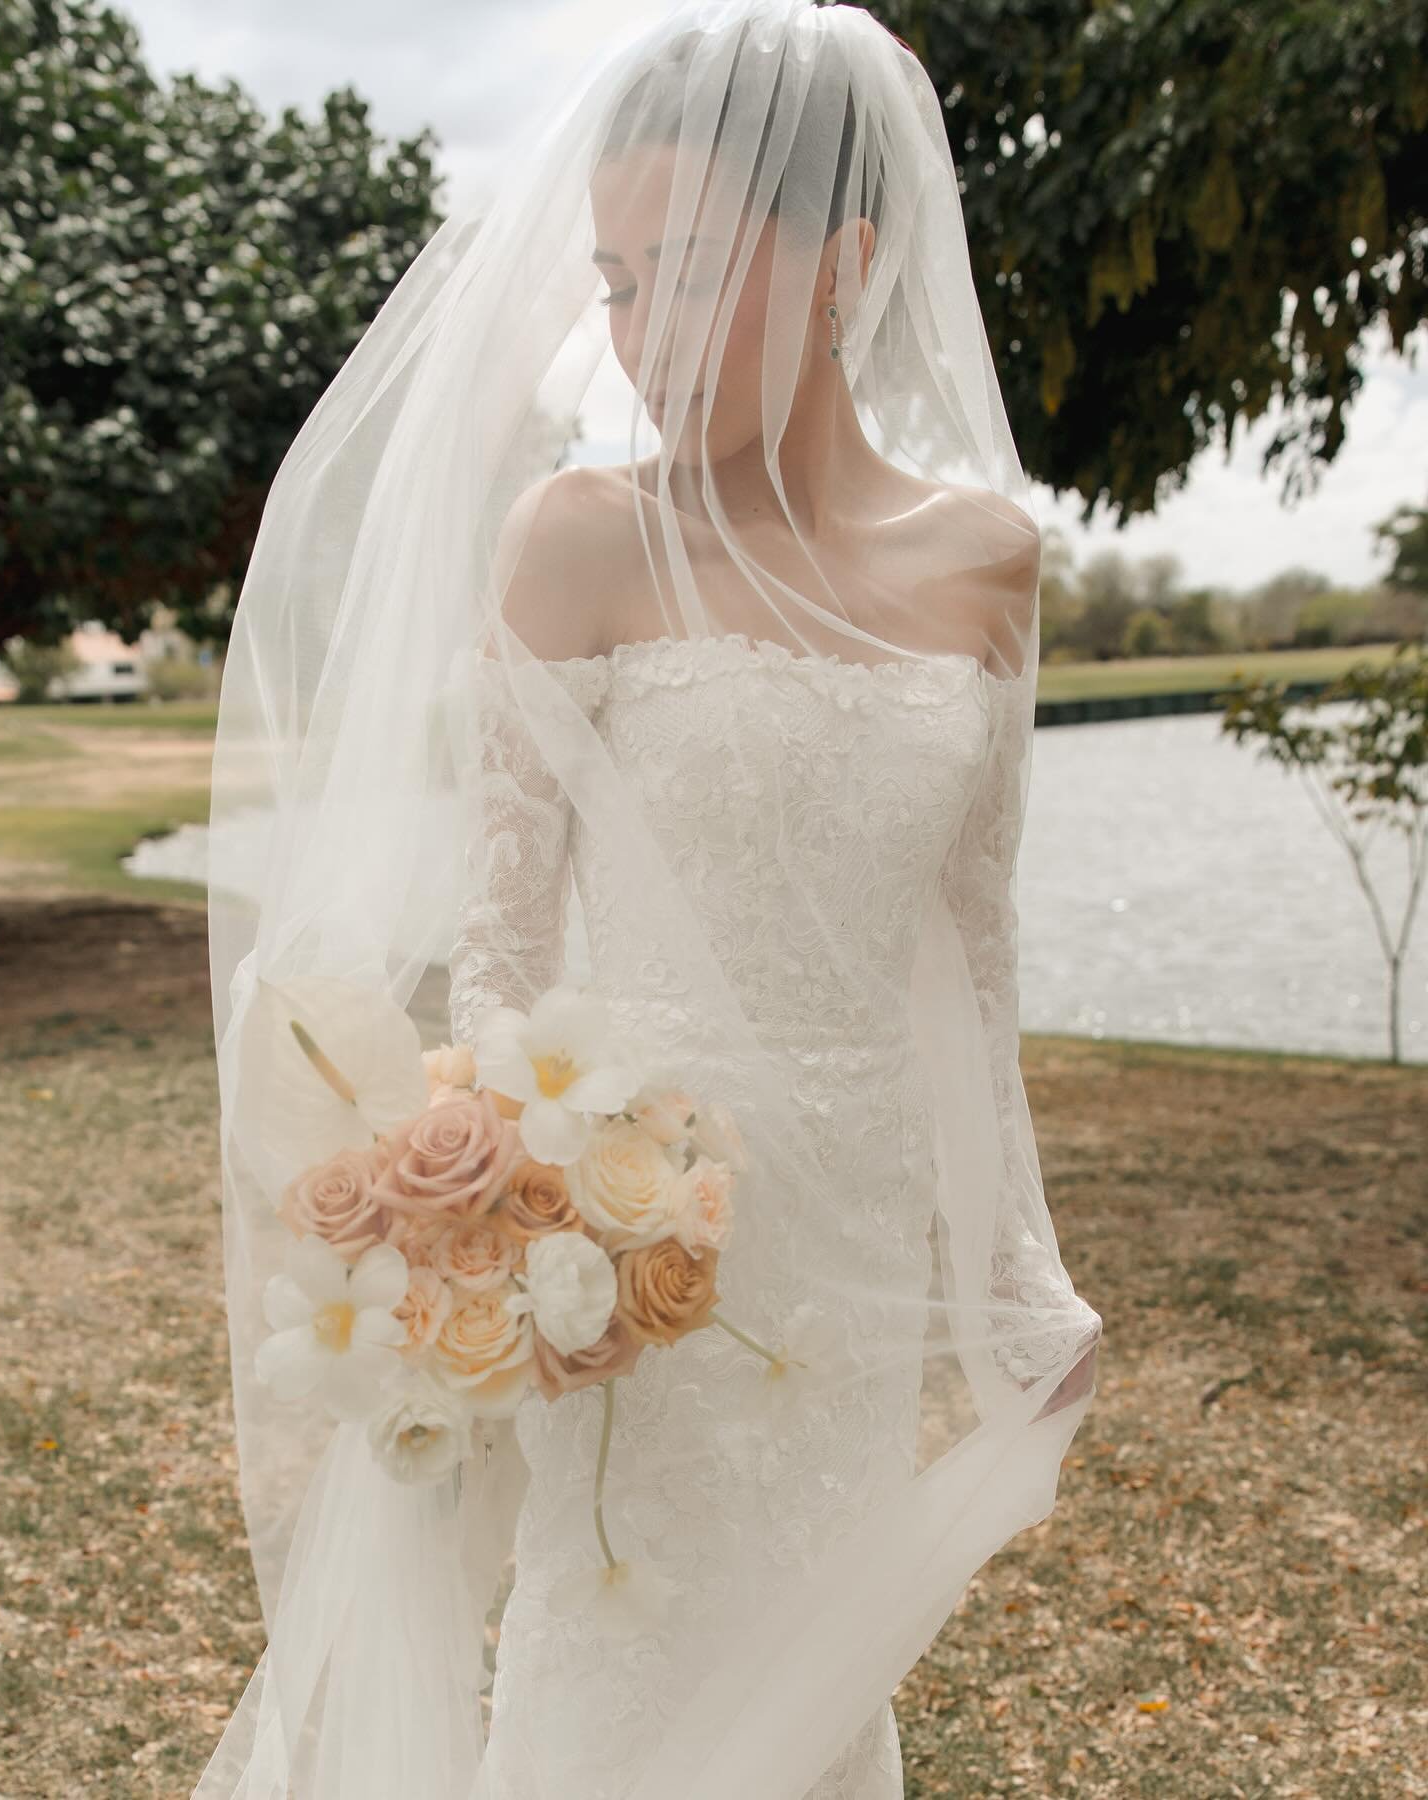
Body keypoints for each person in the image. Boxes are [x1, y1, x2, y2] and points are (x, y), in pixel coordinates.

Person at [197, 4, 1103, 1796]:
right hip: (629, 1264)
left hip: (848, 1264)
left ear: (843, 263)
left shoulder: (985, 565)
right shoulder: (579, 539)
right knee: (608, 1667)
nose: (641, 337)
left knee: (807, 1701)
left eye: (686, 272)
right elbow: (501, 972)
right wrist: (499, 1247)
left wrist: (1018, 1280)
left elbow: (970, 956)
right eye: (614, 281)